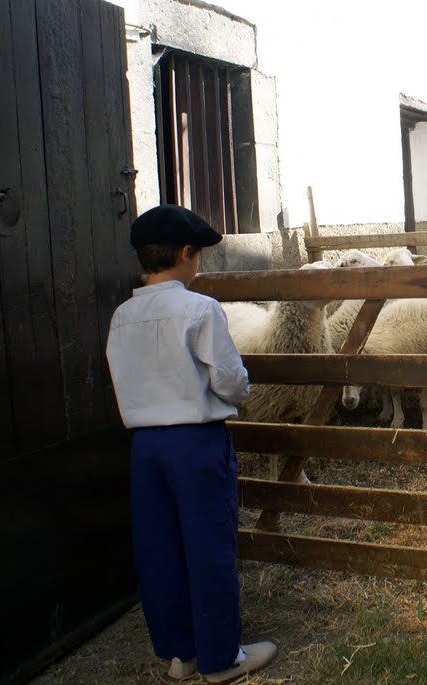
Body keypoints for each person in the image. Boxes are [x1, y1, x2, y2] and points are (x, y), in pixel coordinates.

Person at [105, 205, 278, 684]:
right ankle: (222, 657)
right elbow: (229, 381)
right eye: (197, 255)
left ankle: (179, 653)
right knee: (208, 544)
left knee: (158, 545)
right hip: (195, 443)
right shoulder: (200, 309)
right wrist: (237, 390)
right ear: (186, 254)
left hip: (145, 447)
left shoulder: (123, 315)